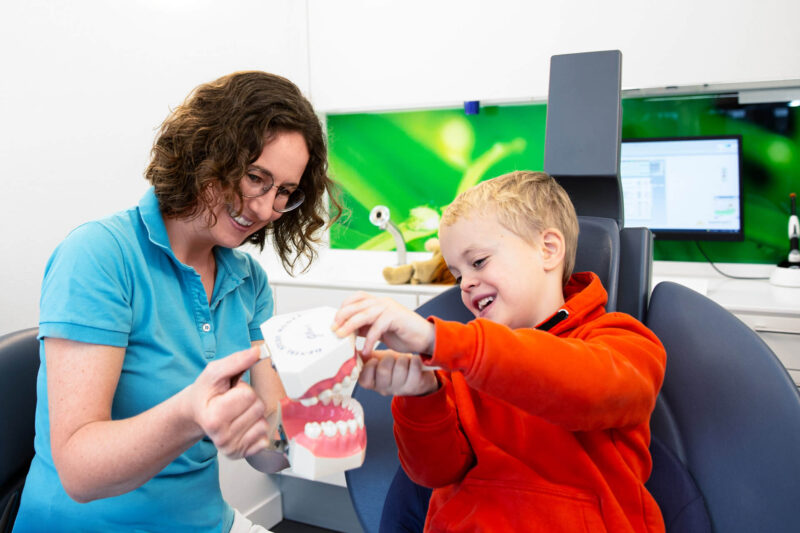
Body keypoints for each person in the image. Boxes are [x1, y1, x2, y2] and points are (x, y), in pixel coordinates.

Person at [13, 71, 342, 533]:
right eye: (255, 178)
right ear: (205, 151)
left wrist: (317, 416)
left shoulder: (248, 281)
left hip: (206, 522)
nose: (267, 210)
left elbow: (266, 455)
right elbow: (79, 474)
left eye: (284, 192)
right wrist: (191, 414)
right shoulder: (99, 256)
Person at [333, 170, 667, 532]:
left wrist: (438, 340)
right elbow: (433, 473)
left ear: (548, 249)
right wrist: (422, 396)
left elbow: (586, 387)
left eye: (478, 262)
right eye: (458, 276)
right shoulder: (457, 367)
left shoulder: (622, 341)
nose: (467, 284)